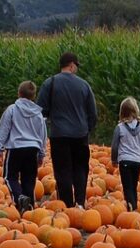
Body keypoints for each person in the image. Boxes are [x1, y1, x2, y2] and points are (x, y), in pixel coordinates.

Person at [36, 52, 97, 208]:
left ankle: (67, 205)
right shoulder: (84, 85)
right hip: (80, 134)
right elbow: (93, 113)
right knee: (81, 169)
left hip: (59, 135)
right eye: (76, 66)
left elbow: (40, 111)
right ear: (71, 65)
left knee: (63, 171)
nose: (76, 69)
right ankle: (80, 203)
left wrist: (52, 121)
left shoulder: (50, 83)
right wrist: (87, 129)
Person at [0, 80, 46, 212]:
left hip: (16, 148)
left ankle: (19, 198)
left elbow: (3, 129)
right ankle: (29, 208)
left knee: (9, 177)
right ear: (34, 96)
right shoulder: (38, 113)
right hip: (33, 149)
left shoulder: (12, 109)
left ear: (19, 93)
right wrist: (41, 153)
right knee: (29, 179)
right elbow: (43, 134)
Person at [109, 97, 140, 212]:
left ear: (122, 112)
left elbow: (115, 146)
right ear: (136, 111)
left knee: (127, 188)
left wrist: (114, 160)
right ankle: (134, 208)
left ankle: (132, 210)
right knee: (133, 187)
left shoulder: (120, 128)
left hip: (125, 161)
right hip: (137, 162)